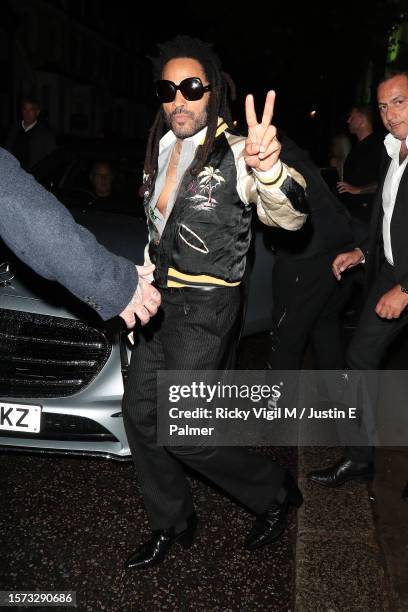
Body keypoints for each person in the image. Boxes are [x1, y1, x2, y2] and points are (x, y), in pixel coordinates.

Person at [122, 35, 309, 571]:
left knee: (185, 431)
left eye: (191, 87)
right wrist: (140, 285)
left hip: (206, 308)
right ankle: (172, 520)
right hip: (158, 300)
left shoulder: (239, 151)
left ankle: (274, 491)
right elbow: (158, 230)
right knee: (139, 414)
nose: (178, 99)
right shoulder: (159, 145)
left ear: (211, 92)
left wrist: (271, 172)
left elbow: (290, 216)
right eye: (168, 89)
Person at [308, 71, 408, 488]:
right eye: (383, 106)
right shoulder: (391, 150)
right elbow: (386, 217)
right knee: (361, 358)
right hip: (389, 271)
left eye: (399, 102)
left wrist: (406, 289)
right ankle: (358, 457)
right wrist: (363, 253)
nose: (390, 114)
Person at [0, 147, 160, 328]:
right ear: (90, 178)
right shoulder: (69, 204)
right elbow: (23, 208)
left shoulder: (132, 213)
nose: (102, 179)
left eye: (107, 175)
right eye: (98, 175)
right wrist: (116, 284)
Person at [266, 133, 355, 371]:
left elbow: (295, 207)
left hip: (307, 256)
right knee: (325, 326)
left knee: (286, 339)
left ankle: (278, 407)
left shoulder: (275, 163)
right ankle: (336, 402)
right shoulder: (299, 158)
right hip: (340, 251)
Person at [336, 104, 383, 225]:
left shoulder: (379, 145)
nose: (348, 120)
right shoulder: (357, 148)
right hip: (351, 214)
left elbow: (386, 180)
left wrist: (359, 190)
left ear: (361, 119)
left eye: (351, 117)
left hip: (366, 217)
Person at [5, 97, 56, 170]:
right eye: (25, 109)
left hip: (33, 176)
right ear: (21, 111)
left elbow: (51, 160)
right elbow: (7, 153)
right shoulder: (13, 130)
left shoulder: (45, 135)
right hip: (13, 173)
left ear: (37, 112)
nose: (27, 113)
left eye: (31, 110)